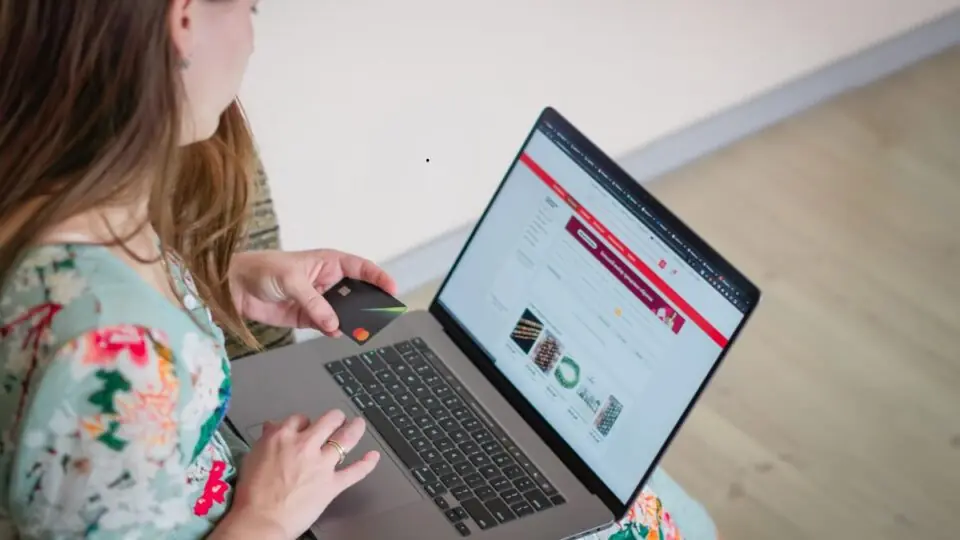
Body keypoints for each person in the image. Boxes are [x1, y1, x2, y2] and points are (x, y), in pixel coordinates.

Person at [0, 1, 699, 539]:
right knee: (646, 520)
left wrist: (223, 282)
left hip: (242, 484)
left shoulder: (61, 205)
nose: (251, 38)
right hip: (258, 516)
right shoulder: (112, 350)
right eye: (250, 8)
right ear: (183, 20)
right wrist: (268, 516)